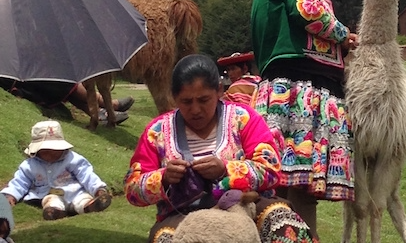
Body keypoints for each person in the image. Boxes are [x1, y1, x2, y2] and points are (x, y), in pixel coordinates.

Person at [123, 54, 317, 243]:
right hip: (181, 216)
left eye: (203, 100)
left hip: (245, 206)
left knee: (281, 221)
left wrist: (226, 169)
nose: (196, 109)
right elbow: (132, 189)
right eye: (187, 102)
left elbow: (271, 170)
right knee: (166, 238)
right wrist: (164, 178)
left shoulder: (243, 119)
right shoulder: (157, 132)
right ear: (174, 97)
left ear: (219, 90)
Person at [250, 0, 357, 238]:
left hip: (274, 93)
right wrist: (342, 34)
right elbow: (307, 9)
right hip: (304, 92)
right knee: (304, 184)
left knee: (280, 180)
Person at [1, 120, 112, 221]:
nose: (51, 154)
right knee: (51, 201)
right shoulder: (29, 166)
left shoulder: (73, 159)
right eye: (46, 151)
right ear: (37, 150)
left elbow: (87, 175)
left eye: (55, 150)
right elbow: (20, 182)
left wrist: (98, 189)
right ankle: (54, 212)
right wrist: (10, 196)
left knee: (82, 199)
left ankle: (89, 206)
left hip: (74, 192)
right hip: (48, 194)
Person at [0, 78, 133, 125]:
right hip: (20, 82)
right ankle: (106, 104)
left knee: (58, 81)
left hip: (25, 77)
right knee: (64, 83)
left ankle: (99, 112)